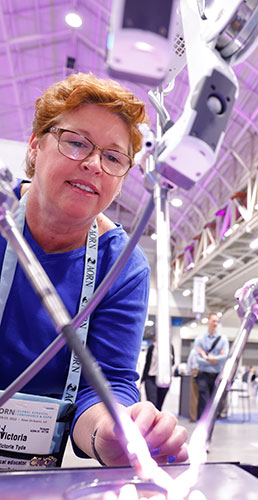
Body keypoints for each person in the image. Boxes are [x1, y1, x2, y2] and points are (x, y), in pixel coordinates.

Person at [0, 73, 187, 468]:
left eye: (113, 157)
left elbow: (106, 383)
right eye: (75, 142)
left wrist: (113, 432)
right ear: (35, 146)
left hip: (29, 466)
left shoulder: (122, 265)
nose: (92, 164)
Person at [193, 313, 229, 419]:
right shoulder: (200, 339)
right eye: (213, 321)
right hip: (203, 374)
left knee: (215, 401)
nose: (215, 324)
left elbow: (225, 357)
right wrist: (215, 359)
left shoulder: (223, 339)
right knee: (204, 400)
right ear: (208, 321)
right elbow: (198, 360)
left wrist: (207, 357)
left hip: (217, 374)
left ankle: (211, 422)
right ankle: (202, 422)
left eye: (217, 321)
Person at [141, 341, 175, 411]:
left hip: (164, 378)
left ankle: (156, 421)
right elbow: (147, 364)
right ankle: (151, 420)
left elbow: (173, 363)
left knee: (159, 405)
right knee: (152, 404)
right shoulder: (152, 347)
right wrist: (141, 380)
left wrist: (170, 359)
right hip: (151, 377)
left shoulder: (169, 346)